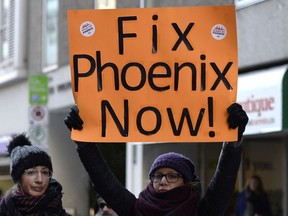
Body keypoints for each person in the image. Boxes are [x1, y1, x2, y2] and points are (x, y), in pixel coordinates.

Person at [64, 103, 249, 216]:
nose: (163, 181)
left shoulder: (201, 211)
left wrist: (232, 141)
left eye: (172, 176)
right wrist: (84, 143)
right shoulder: (135, 209)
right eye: (157, 176)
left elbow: (224, 182)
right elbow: (104, 181)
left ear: (187, 182)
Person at [0, 133, 71, 215]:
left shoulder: (58, 210)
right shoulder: (4, 210)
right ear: (18, 178)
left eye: (45, 172)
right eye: (31, 172)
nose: (40, 180)